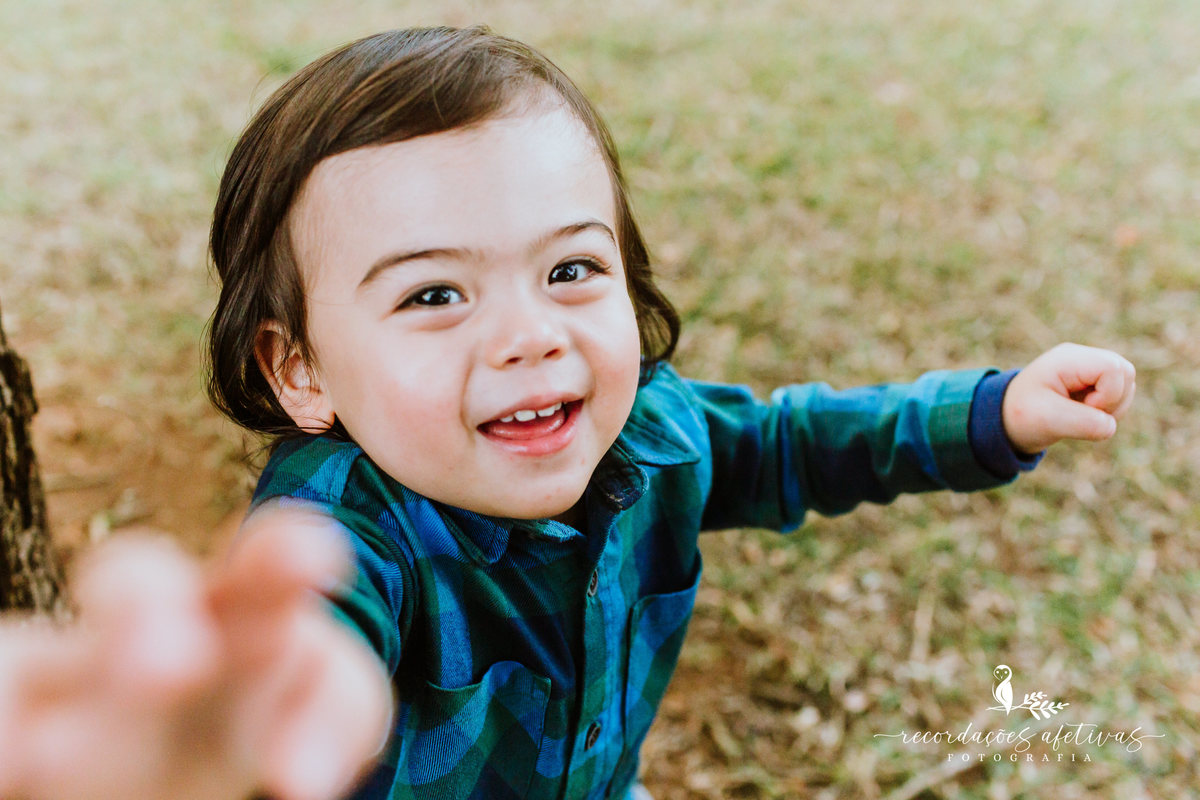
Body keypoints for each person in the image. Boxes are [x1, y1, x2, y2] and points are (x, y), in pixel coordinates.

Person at [0, 25, 1136, 800]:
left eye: (571, 270)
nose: (529, 332)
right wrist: (250, 703)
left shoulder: (655, 432)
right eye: (435, 293)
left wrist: (997, 415)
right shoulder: (342, 535)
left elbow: (796, 444)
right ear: (301, 372)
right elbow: (306, 652)